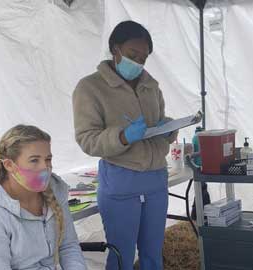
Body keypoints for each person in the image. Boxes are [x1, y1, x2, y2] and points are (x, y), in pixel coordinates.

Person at [72, 21, 178, 270]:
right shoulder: (90, 88)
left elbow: (157, 125)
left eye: (144, 57)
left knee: (153, 255)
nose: (139, 62)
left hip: (155, 180)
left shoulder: (151, 86)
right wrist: (122, 137)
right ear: (115, 48)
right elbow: (87, 139)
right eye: (133, 55)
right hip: (121, 181)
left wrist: (168, 130)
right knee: (121, 255)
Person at [0, 124, 87, 270]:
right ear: (9, 165)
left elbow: (68, 247)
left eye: (48, 159)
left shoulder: (56, 190)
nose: (44, 167)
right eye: (34, 160)